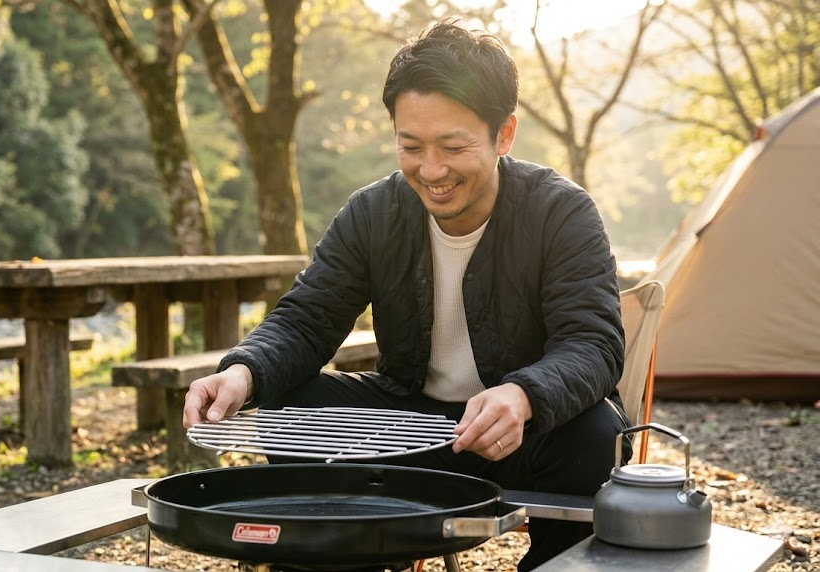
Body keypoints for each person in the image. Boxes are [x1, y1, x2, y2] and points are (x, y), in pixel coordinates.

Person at [183, 18, 631, 571]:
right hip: (406, 429)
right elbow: (306, 319)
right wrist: (241, 373)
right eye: (410, 146)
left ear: (504, 134)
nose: (432, 170)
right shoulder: (373, 214)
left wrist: (523, 395)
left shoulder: (560, 212)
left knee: (597, 432)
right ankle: (339, 559)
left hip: (519, 435)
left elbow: (593, 343)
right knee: (289, 404)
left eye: (453, 146)